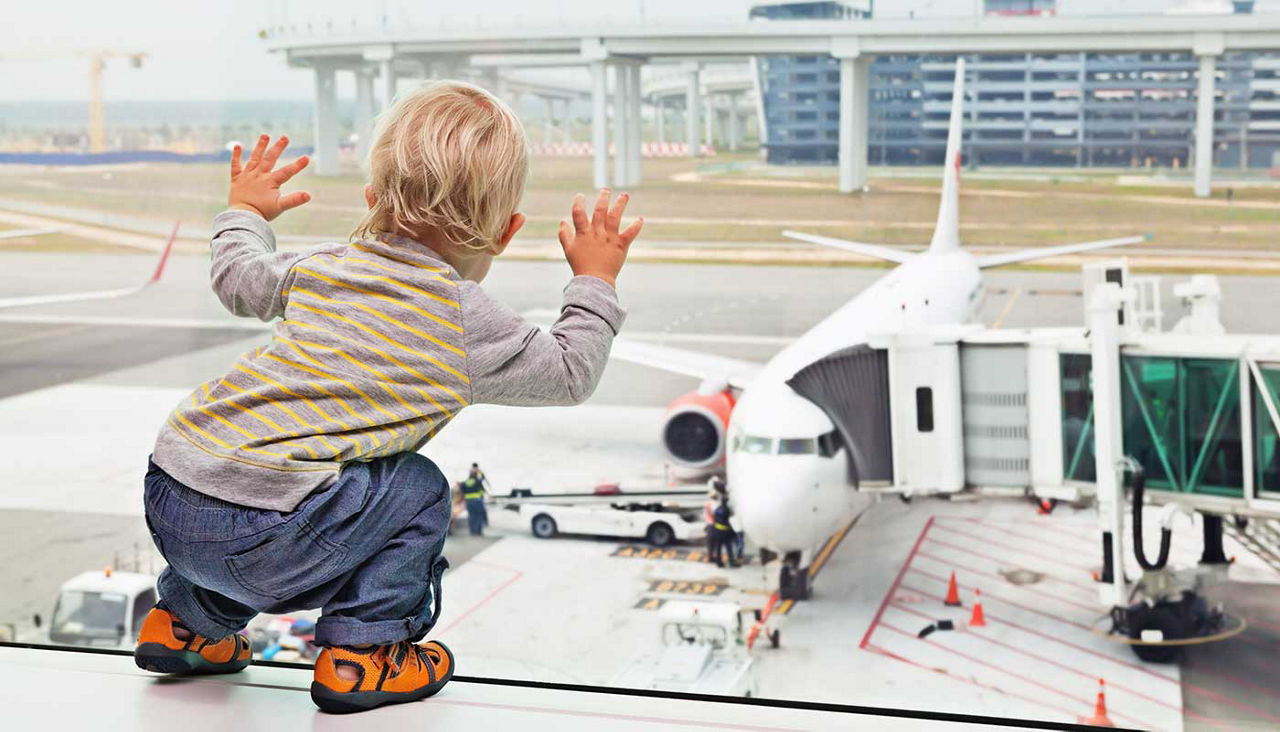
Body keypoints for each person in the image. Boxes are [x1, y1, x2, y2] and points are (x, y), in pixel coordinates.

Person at [133, 80, 643, 714]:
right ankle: (364, 656)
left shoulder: (321, 266)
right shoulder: (463, 320)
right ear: (507, 232)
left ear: (372, 197)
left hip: (172, 492)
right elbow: (571, 372)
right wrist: (594, 280)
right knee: (416, 489)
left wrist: (247, 213)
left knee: (295, 478)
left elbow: (237, 279)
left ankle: (184, 624)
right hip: (268, 531)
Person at [461, 463, 489, 536]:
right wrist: (479, 471)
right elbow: (483, 478)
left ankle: (472, 532)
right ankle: (478, 532)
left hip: (469, 502)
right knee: (479, 516)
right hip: (477, 501)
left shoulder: (466, 482)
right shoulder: (477, 481)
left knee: (471, 516)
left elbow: (462, 491)